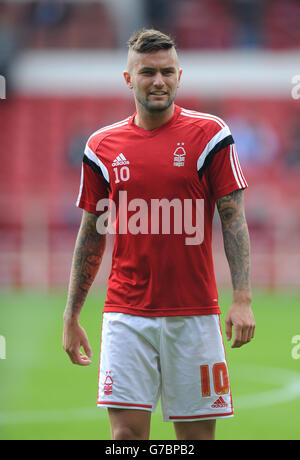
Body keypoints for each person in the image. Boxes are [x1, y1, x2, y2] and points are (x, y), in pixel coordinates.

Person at [63, 29, 255, 441]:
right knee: (126, 438)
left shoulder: (211, 135)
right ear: (129, 79)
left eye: (167, 71)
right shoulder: (101, 146)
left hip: (195, 315)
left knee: (197, 439)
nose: (158, 81)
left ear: (179, 76)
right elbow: (91, 234)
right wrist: (71, 313)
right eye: (147, 72)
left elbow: (233, 218)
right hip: (125, 315)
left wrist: (242, 298)